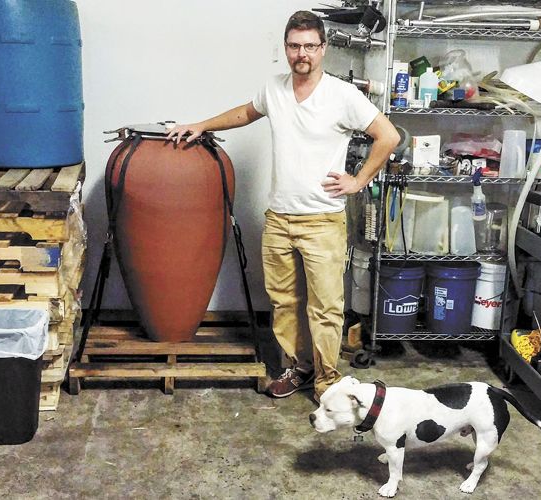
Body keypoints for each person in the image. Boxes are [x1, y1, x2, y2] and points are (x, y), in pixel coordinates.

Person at [167, 11, 401, 403]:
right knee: (285, 302)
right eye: (294, 46)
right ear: (286, 48)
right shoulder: (274, 88)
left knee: (326, 307)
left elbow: (387, 135)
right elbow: (246, 113)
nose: (302, 54)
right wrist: (203, 125)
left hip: (323, 220)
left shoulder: (342, 95)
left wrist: (358, 181)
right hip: (279, 218)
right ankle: (299, 367)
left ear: (323, 49)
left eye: (310, 46)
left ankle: (327, 381)